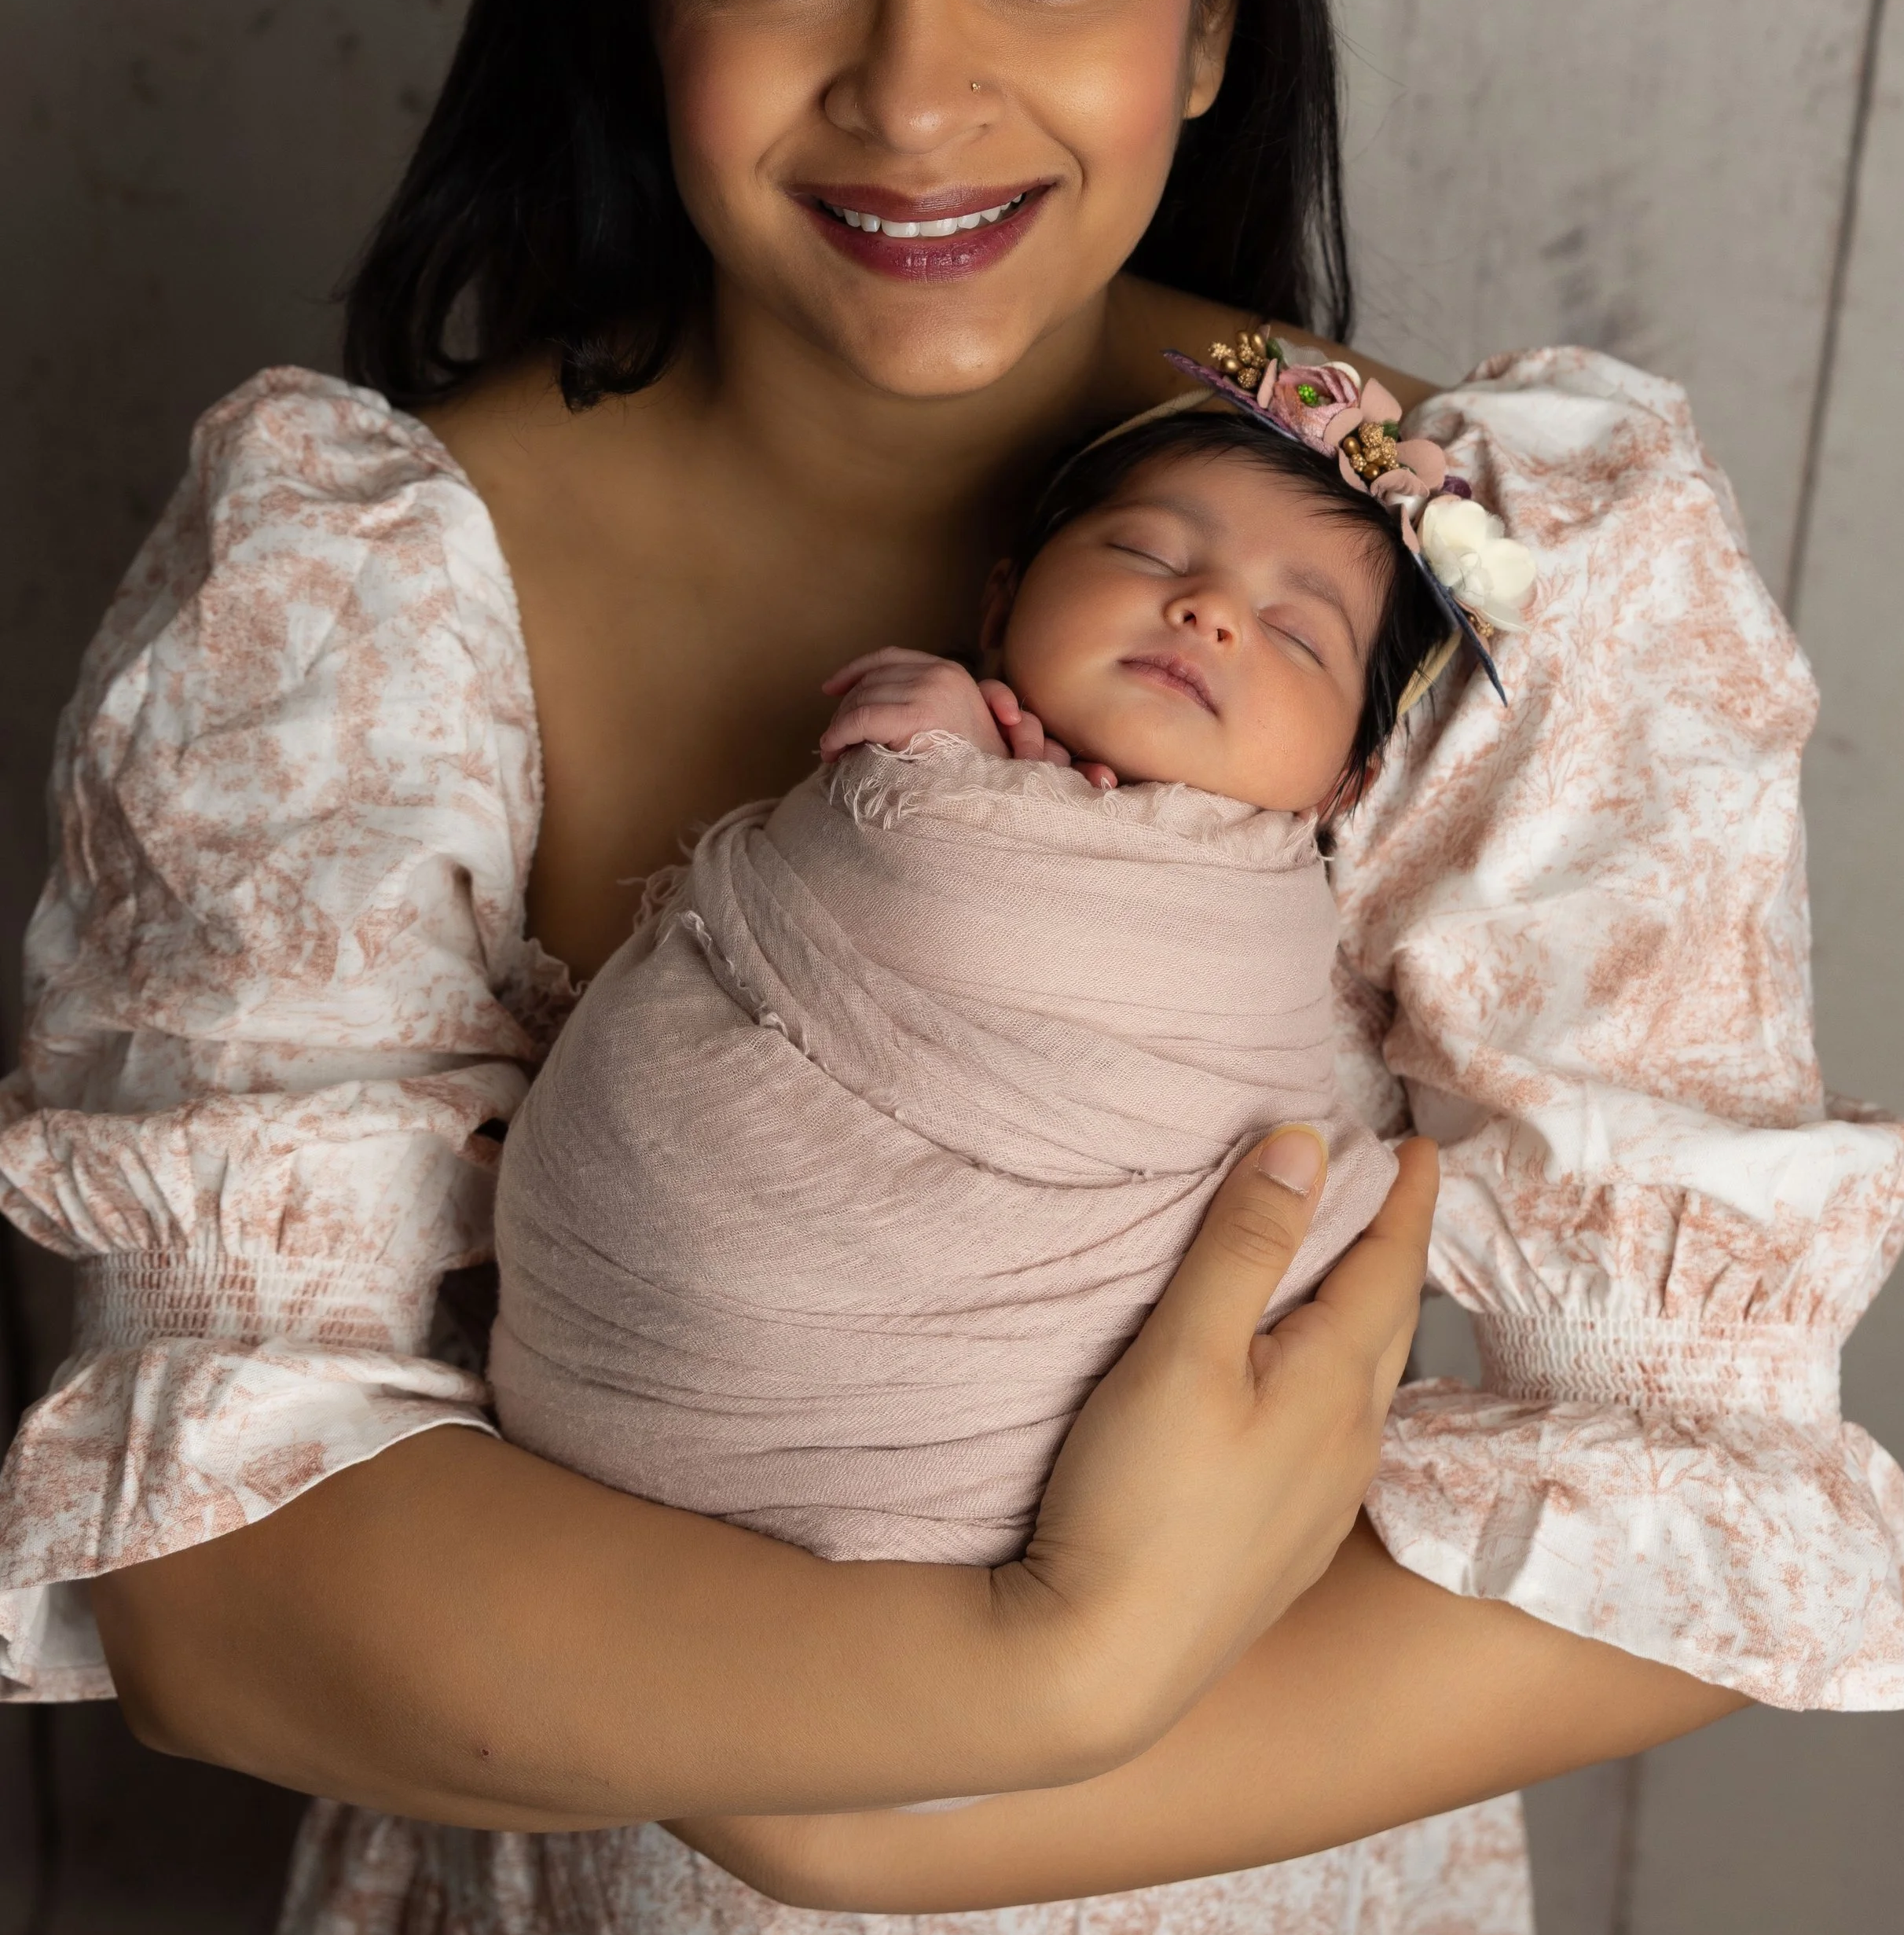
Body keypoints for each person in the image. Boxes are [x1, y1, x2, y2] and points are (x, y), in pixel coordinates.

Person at [0, 0, 1904, 1935]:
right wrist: (1033, 1671)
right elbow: (221, 1585)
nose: (917, 101)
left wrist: (890, 1830)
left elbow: (1693, 1511)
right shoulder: (350, 592)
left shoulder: (1490, 578)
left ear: (1211, 10)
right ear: (638, 2)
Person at [490, 373, 1499, 1593]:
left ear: (1348, 780)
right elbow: (911, 906)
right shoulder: (919, 754)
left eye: (1297, 634)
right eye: (1146, 550)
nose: (1209, 612)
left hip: (1025, 1464)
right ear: (1002, 598)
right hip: (658, 1358)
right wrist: (942, 789)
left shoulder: (1265, 920)